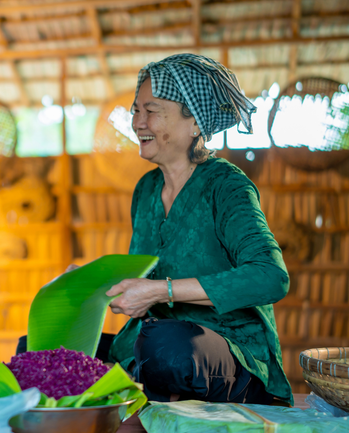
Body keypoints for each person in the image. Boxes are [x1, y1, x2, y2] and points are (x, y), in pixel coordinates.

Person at [18, 53, 292, 406]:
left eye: (152, 110)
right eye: (135, 110)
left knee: (165, 345)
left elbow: (270, 277)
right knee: (38, 353)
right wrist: (94, 284)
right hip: (148, 342)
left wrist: (160, 292)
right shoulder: (146, 191)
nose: (137, 122)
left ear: (194, 122)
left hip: (225, 353)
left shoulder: (228, 187)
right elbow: (146, 280)